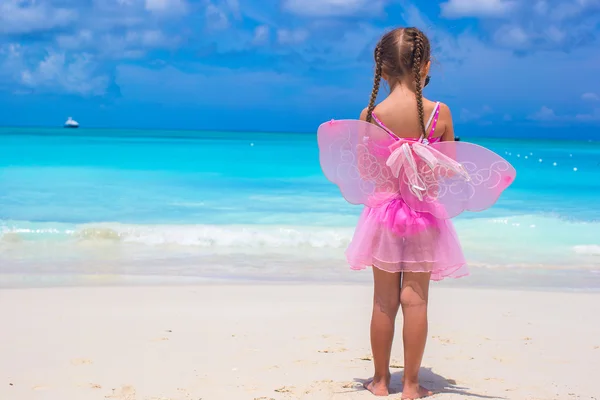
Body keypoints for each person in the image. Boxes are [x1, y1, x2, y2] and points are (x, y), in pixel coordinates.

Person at [317, 26, 515, 400]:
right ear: (425, 65)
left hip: (383, 216)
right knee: (417, 300)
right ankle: (410, 385)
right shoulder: (440, 113)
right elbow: (451, 169)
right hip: (424, 216)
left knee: (382, 301)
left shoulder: (371, 114)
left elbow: (366, 171)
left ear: (382, 69)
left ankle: (379, 382)